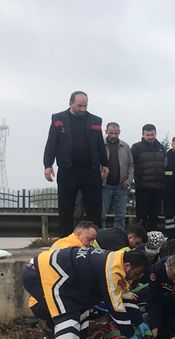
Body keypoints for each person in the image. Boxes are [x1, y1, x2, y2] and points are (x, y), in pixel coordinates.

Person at [21, 247, 150, 339]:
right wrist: (130, 334)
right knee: (68, 318)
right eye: (135, 273)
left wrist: (138, 321)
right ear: (127, 265)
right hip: (43, 274)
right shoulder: (112, 270)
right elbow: (115, 307)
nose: (134, 278)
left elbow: (120, 299)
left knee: (81, 311)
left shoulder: (114, 261)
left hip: (52, 273)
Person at [43, 91, 109, 237]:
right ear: (70, 103)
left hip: (90, 170)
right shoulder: (58, 119)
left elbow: (99, 143)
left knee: (94, 208)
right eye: (79, 106)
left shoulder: (95, 121)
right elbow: (52, 143)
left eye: (85, 106)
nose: (83, 109)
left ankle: (94, 241)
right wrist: (48, 164)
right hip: (68, 170)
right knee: (66, 208)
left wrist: (105, 164)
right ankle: (65, 241)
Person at [131, 124, 166, 233]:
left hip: (158, 188)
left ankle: (152, 239)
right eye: (148, 135)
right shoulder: (137, 147)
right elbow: (131, 165)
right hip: (143, 188)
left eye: (152, 134)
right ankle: (139, 238)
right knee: (141, 215)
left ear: (156, 134)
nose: (150, 137)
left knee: (154, 215)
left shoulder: (161, 147)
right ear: (143, 134)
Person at [101, 122, 134, 230]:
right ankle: (100, 237)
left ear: (119, 132)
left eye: (116, 133)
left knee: (120, 215)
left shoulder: (125, 146)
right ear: (106, 132)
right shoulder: (100, 145)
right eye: (111, 133)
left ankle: (118, 237)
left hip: (121, 186)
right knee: (101, 214)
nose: (114, 135)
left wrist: (128, 181)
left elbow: (131, 165)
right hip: (104, 185)